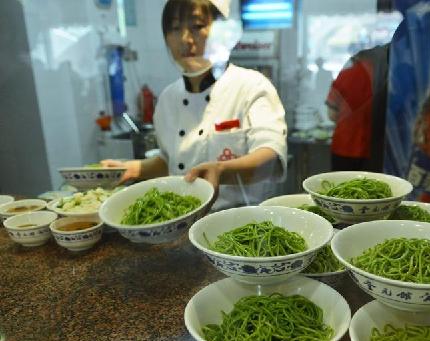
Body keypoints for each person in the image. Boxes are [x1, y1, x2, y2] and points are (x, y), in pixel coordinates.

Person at [102, 0, 287, 210]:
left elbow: (270, 156)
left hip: (241, 224)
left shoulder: (250, 86)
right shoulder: (167, 98)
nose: (185, 39)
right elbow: (172, 162)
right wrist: (132, 168)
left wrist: (221, 170)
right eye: (175, 28)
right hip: (180, 223)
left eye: (197, 26)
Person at [326, 43, 389, 172]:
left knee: (341, 188)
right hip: (372, 150)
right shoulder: (383, 80)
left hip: (344, 146)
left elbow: (331, 114)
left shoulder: (345, 75)